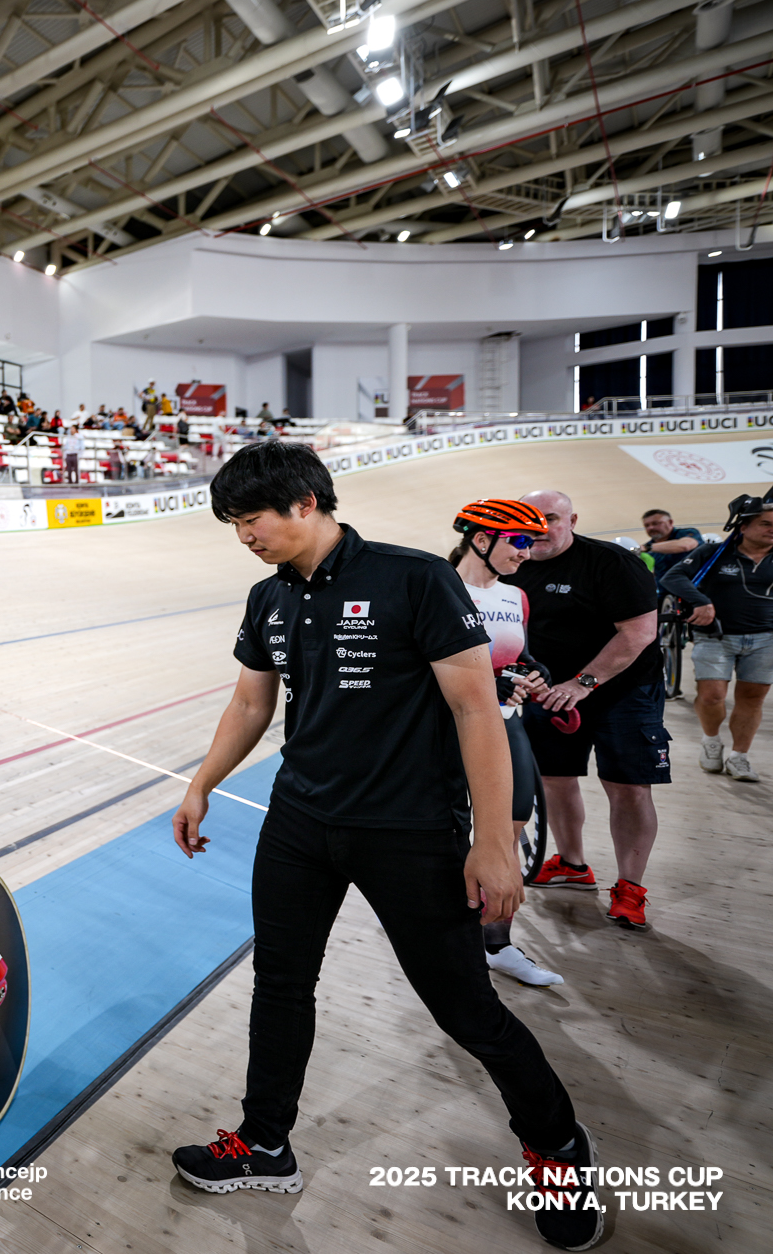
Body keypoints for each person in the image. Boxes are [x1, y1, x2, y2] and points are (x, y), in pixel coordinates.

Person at [166, 444, 602, 1250]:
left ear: (304, 502)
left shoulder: (412, 578)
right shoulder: (269, 597)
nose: (243, 536)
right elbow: (250, 700)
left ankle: (559, 1146)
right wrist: (200, 783)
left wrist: (494, 842)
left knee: (466, 1008)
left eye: (250, 519)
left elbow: (478, 711)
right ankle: (265, 1142)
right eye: (232, 524)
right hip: (299, 825)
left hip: (409, 833)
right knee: (281, 985)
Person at [513, 490, 667, 932]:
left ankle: (630, 887)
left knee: (628, 787)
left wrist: (582, 684)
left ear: (573, 519)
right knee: (556, 780)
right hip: (549, 691)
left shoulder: (611, 563)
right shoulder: (512, 566)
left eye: (550, 518)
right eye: (528, 520)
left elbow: (639, 633)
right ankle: (573, 864)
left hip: (623, 691)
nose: (538, 528)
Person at [449, 500, 566, 987]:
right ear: (481, 539)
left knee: (506, 834)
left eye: (533, 542)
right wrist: (481, 684)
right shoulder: (437, 585)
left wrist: (535, 670)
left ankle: (496, 944)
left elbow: (513, 649)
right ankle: (449, 943)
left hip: (507, 724)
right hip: (450, 727)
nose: (528, 552)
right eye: (519, 541)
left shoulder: (515, 595)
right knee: (448, 838)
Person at [660, 490, 773, 782]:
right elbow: (672, 577)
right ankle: (711, 740)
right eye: (766, 523)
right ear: (744, 526)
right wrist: (701, 601)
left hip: (765, 639)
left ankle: (739, 757)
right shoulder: (713, 553)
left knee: (752, 698)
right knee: (712, 697)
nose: (772, 529)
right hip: (716, 636)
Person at [638, 508, 704, 578]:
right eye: (647, 525)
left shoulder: (688, 533)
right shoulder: (646, 550)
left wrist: (647, 547)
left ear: (670, 522)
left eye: (655, 523)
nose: (651, 528)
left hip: (695, 585)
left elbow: (686, 545)